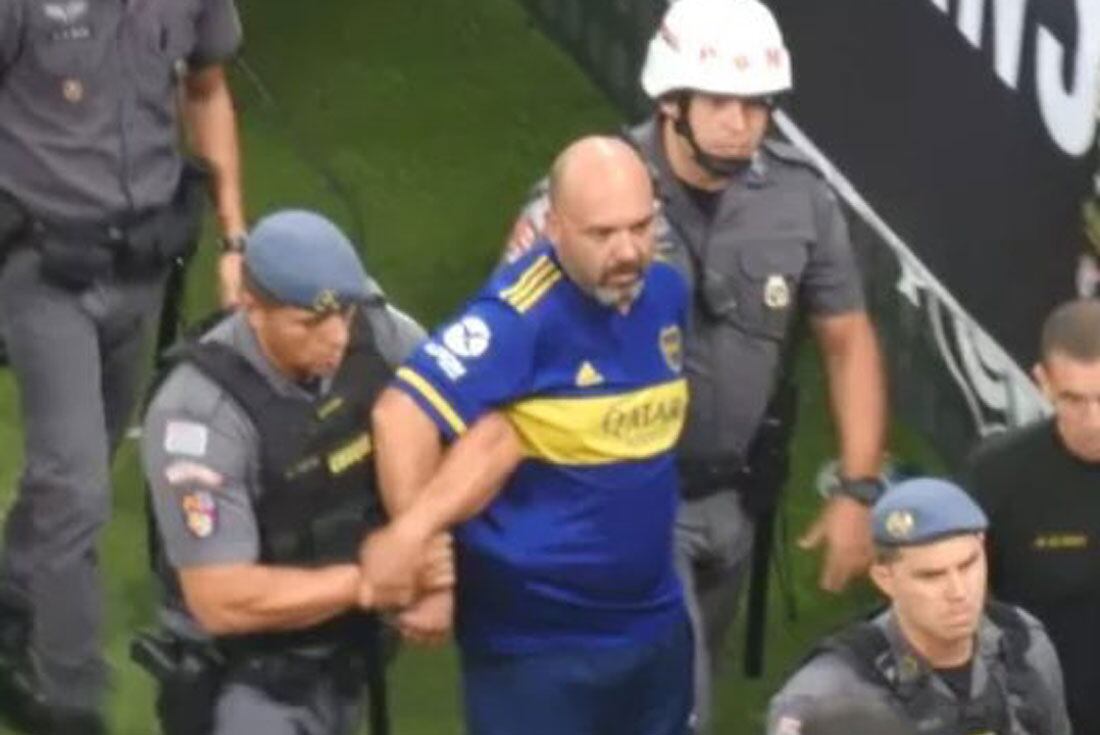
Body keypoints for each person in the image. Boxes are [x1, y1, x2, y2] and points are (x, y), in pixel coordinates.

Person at [505, 0, 886, 727]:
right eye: (721, 102)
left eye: (757, 105)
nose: (741, 123)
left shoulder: (801, 200)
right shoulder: (592, 191)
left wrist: (859, 486)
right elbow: (511, 338)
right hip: (622, 501)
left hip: (732, 500)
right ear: (670, 100)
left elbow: (848, 338)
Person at [362, 136, 693, 735]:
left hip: (653, 624)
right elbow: (402, 413)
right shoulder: (517, 317)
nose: (628, 252)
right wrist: (430, 572)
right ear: (555, 228)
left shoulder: (666, 295)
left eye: (641, 227)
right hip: (538, 646)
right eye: (602, 234)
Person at [0, 0, 247, 730]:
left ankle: (13, 594)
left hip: (141, 264)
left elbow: (206, 88)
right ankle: (69, 698)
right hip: (43, 269)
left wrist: (236, 238)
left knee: (80, 465)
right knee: (75, 487)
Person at [137, 210, 440, 735]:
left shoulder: (381, 334)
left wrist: (433, 563)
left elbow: (463, 423)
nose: (336, 338)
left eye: (342, 314)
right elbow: (221, 598)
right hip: (247, 679)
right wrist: (371, 581)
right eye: (309, 323)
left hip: (347, 655)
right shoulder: (200, 413)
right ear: (252, 307)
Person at [767, 478, 1072, 735]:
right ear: (885, 578)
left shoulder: (1023, 643)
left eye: (967, 565)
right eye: (931, 575)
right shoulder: (826, 695)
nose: (958, 591)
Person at [964, 298, 1100, 735]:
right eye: (1073, 399)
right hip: (1048, 712)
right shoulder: (999, 475)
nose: (1093, 420)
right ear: (1042, 382)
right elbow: (966, 603)